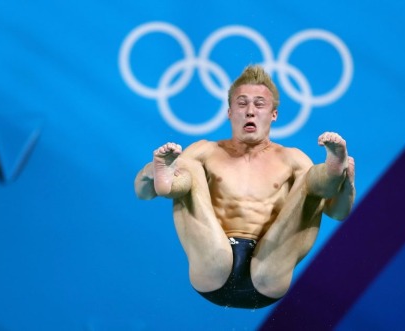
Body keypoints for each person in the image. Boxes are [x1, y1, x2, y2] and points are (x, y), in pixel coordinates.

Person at [134, 65, 356, 309]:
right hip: (212, 262)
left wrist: (348, 184)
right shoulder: (206, 151)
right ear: (230, 112)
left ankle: (333, 172)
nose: (250, 111)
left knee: (309, 179)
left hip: (269, 268)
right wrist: (151, 172)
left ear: (274, 114)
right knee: (190, 165)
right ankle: (168, 183)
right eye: (242, 104)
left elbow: (338, 212)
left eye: (259, 104)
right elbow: (142, 192)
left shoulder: (292, 159)